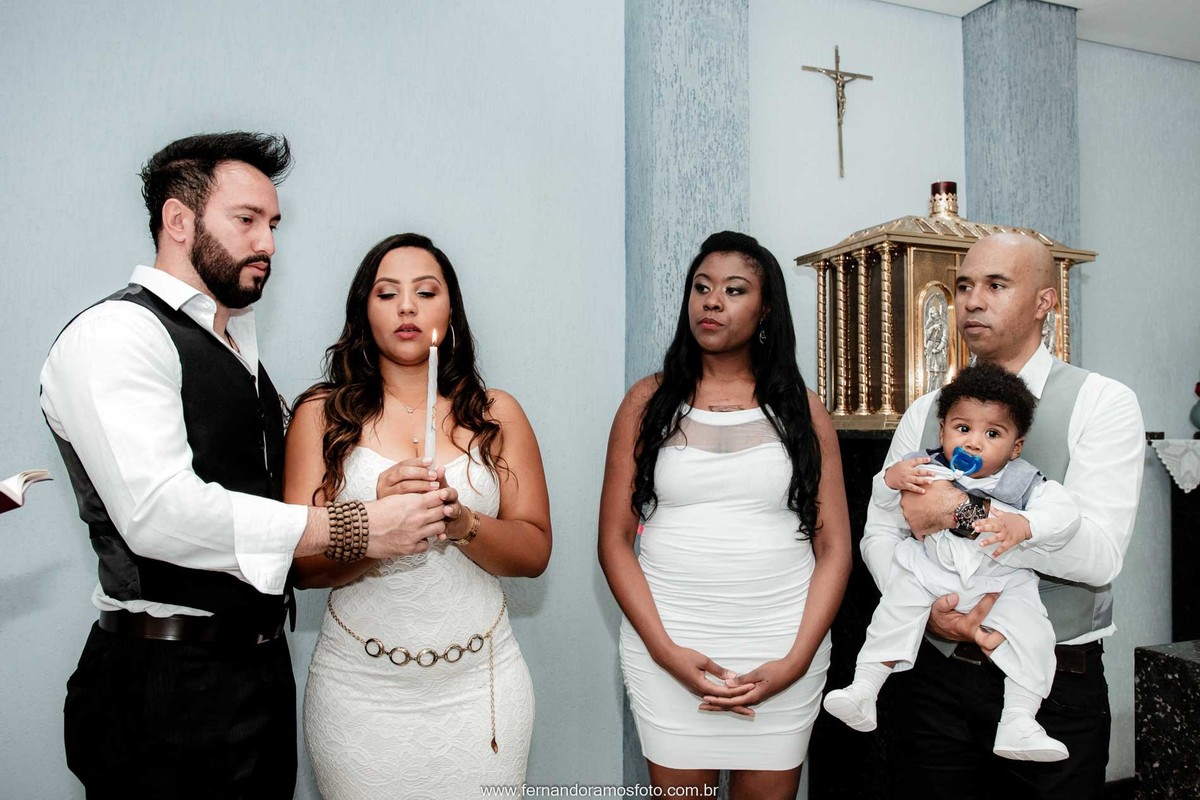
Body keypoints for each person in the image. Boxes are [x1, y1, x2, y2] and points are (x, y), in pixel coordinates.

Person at [41, 133, 453, 799]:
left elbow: (254, 503)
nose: (268, 243)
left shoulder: (237, 353)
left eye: (274, 224)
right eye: (247, 221)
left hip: (256, 678)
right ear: (179, 221)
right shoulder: (115, 336)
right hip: (162, 686)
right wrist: (354, 526)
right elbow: (158, 516)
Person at [861, 232, 1144, 798]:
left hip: (1055, 681)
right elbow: (880, 529)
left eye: (996, 285)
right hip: (932, 674)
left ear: (1045, 301)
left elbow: (1099, 555)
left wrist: (962, 512)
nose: (971, 300)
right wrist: (930, 608)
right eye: (964, 285)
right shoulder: (927, 411)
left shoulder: (1102, 402)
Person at [285, 233, 552, 799]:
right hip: (360, 691)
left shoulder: (497, 414)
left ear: (450, 310)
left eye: (425, 292)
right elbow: (299, 567)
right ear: (365, 311)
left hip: (481, 689)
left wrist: (463, 525)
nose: (406, 307)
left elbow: (534, 553)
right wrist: (373, 525)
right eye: (387, 294)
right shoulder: (319, 415)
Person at [598, 231, 851, 799]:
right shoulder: (647, 402)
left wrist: (795, 659)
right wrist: (665, 654)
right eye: (701, 287)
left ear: (764, 311)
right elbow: (614, 540)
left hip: (782, 645)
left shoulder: (801, 409)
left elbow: (834, 545)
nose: (711, 301)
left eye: (733, 290)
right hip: (671, 647)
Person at [824, 363, 1080, 762]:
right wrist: (889, 479)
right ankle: (864, 688)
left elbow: (1066, 515)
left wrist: (1026, 524)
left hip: (999, 581)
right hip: (933, 572)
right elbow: (885, 504)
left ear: (1015, 446)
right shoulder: (923, 468)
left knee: (1035, 634)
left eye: (992, 434)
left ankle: (1019, 722)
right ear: (942, 430)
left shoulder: (1023, 482)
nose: (974, 443)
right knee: (896, 605)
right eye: (963, 429)